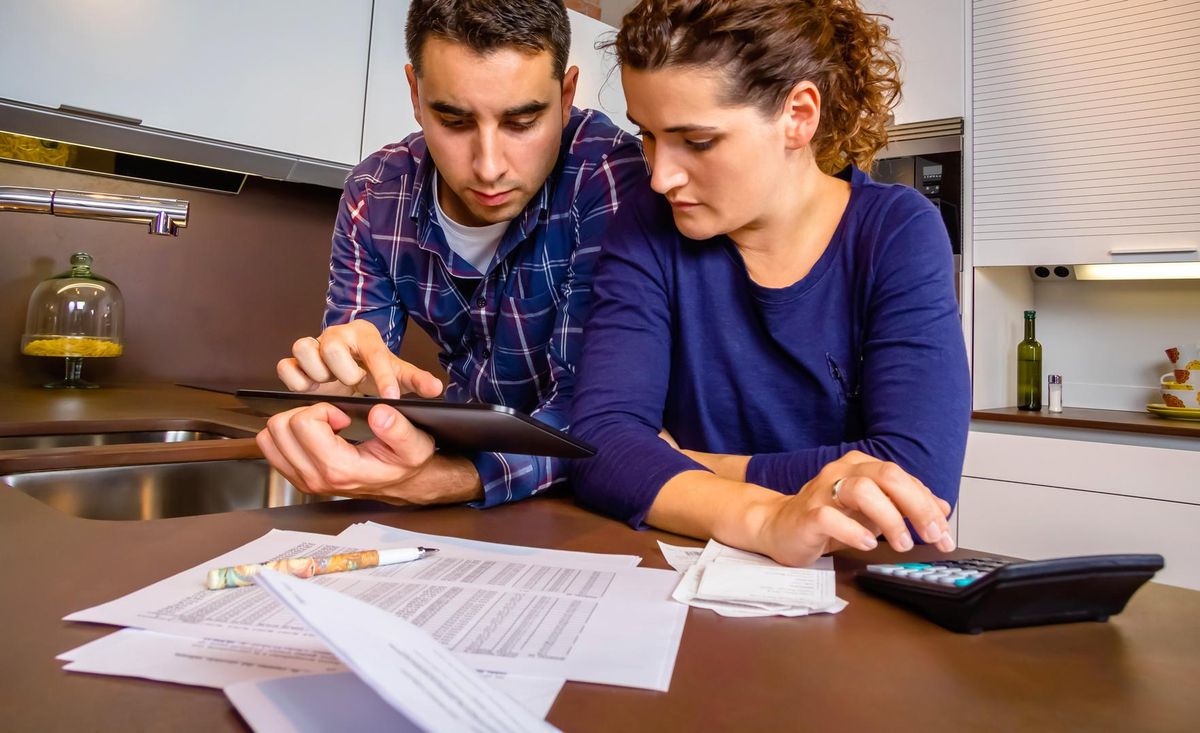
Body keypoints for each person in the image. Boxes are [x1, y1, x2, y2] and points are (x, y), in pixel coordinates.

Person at [569, 0, 970, 567]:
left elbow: (914, 480)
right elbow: (601, 444)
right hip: (682, 570)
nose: (661, 177)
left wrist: (691, 464)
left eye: (698, 141)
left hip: (852, 585)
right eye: (649, 136)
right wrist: (766, 517)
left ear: (798, 116)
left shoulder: (896, 231)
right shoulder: (645, 225)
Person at [256, 0, 646, 508]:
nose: (488, 167)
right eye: (455, 121)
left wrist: (444, 480)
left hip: (581, 496)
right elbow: (360, 370)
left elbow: (597, 412)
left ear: (567, 94)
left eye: (522, 122)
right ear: (416, 95)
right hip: (458, 479)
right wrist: (339, 390)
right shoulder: (374, 195)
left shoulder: (611, 179)